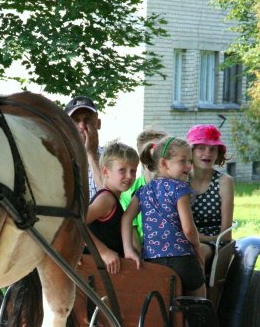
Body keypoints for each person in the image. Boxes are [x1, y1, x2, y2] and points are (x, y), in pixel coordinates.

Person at [121, 136, 205, 298]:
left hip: (152, 261)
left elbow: (126, 218)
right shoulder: (180, 189)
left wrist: (128, 249)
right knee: (198, 296)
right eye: (183, 161)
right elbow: (188, 229)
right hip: (182, 259)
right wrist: (196, 247)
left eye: (190, 161)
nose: (189, 166)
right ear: (164, 163)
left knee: (160, 304)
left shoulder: (144, 190)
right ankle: (200, 322)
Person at [85, 141, 139, 274]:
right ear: (105, 171)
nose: (129, 176)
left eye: (133, 171)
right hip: (96, 269)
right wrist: (103, 251)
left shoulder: (112, 198)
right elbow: (75, 224)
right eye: (122, 170)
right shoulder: (106, 200)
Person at [186, 124, 235, 267]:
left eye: (213, 149)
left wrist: (199, 238)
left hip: (214, 244)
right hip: (183, 240)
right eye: (201, 148)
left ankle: (200, 290)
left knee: (197, 252)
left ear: (218, 153)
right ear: (191, 152)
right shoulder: (181, 181)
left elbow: (225, 235)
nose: (207, 153)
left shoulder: (224, 181)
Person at [119, 128, 169, 249]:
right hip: (144, 251)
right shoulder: (129, 191)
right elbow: (131, 228)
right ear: (143, 158)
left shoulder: (174, 186)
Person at [65, 95, 103, 199]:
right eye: (76, 120)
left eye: (88, 119)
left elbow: (109, 196)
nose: (82, 126)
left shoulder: (111, 156)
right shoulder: (59, 157)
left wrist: (91, 154)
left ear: (98, 123)